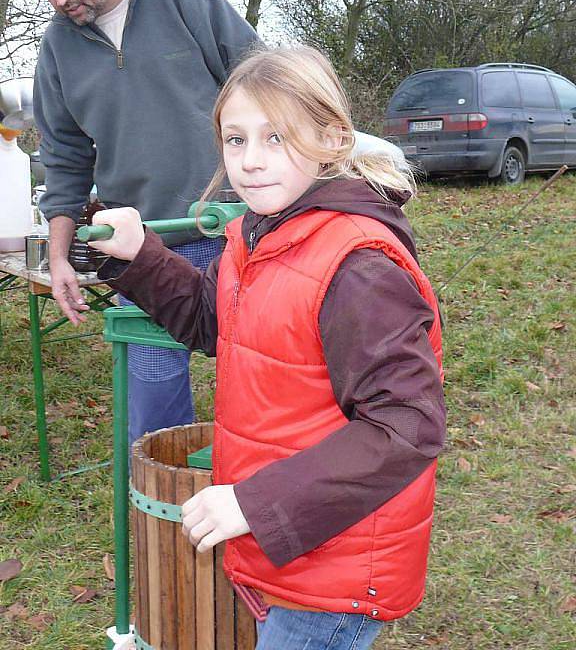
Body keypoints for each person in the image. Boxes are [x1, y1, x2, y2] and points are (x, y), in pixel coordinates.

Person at [90, 46, 446, 650]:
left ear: (333, 138)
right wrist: (141, 257)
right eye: (235, 139)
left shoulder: (356, 265)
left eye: (276, 137)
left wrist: (257, 503)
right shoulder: (262, 235)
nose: (250, 162)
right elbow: (215, 321)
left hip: (334, 564)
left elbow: (408, 426)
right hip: (290, 548)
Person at [22, 0, 260, 446]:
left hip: (236, 227)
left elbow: (261, 79)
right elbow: (63, 162)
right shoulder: (58, 49)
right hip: (144, 246)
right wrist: (60, 257)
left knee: (263, 378)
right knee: (153, 401)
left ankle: (260, 505)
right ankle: (168, 513)